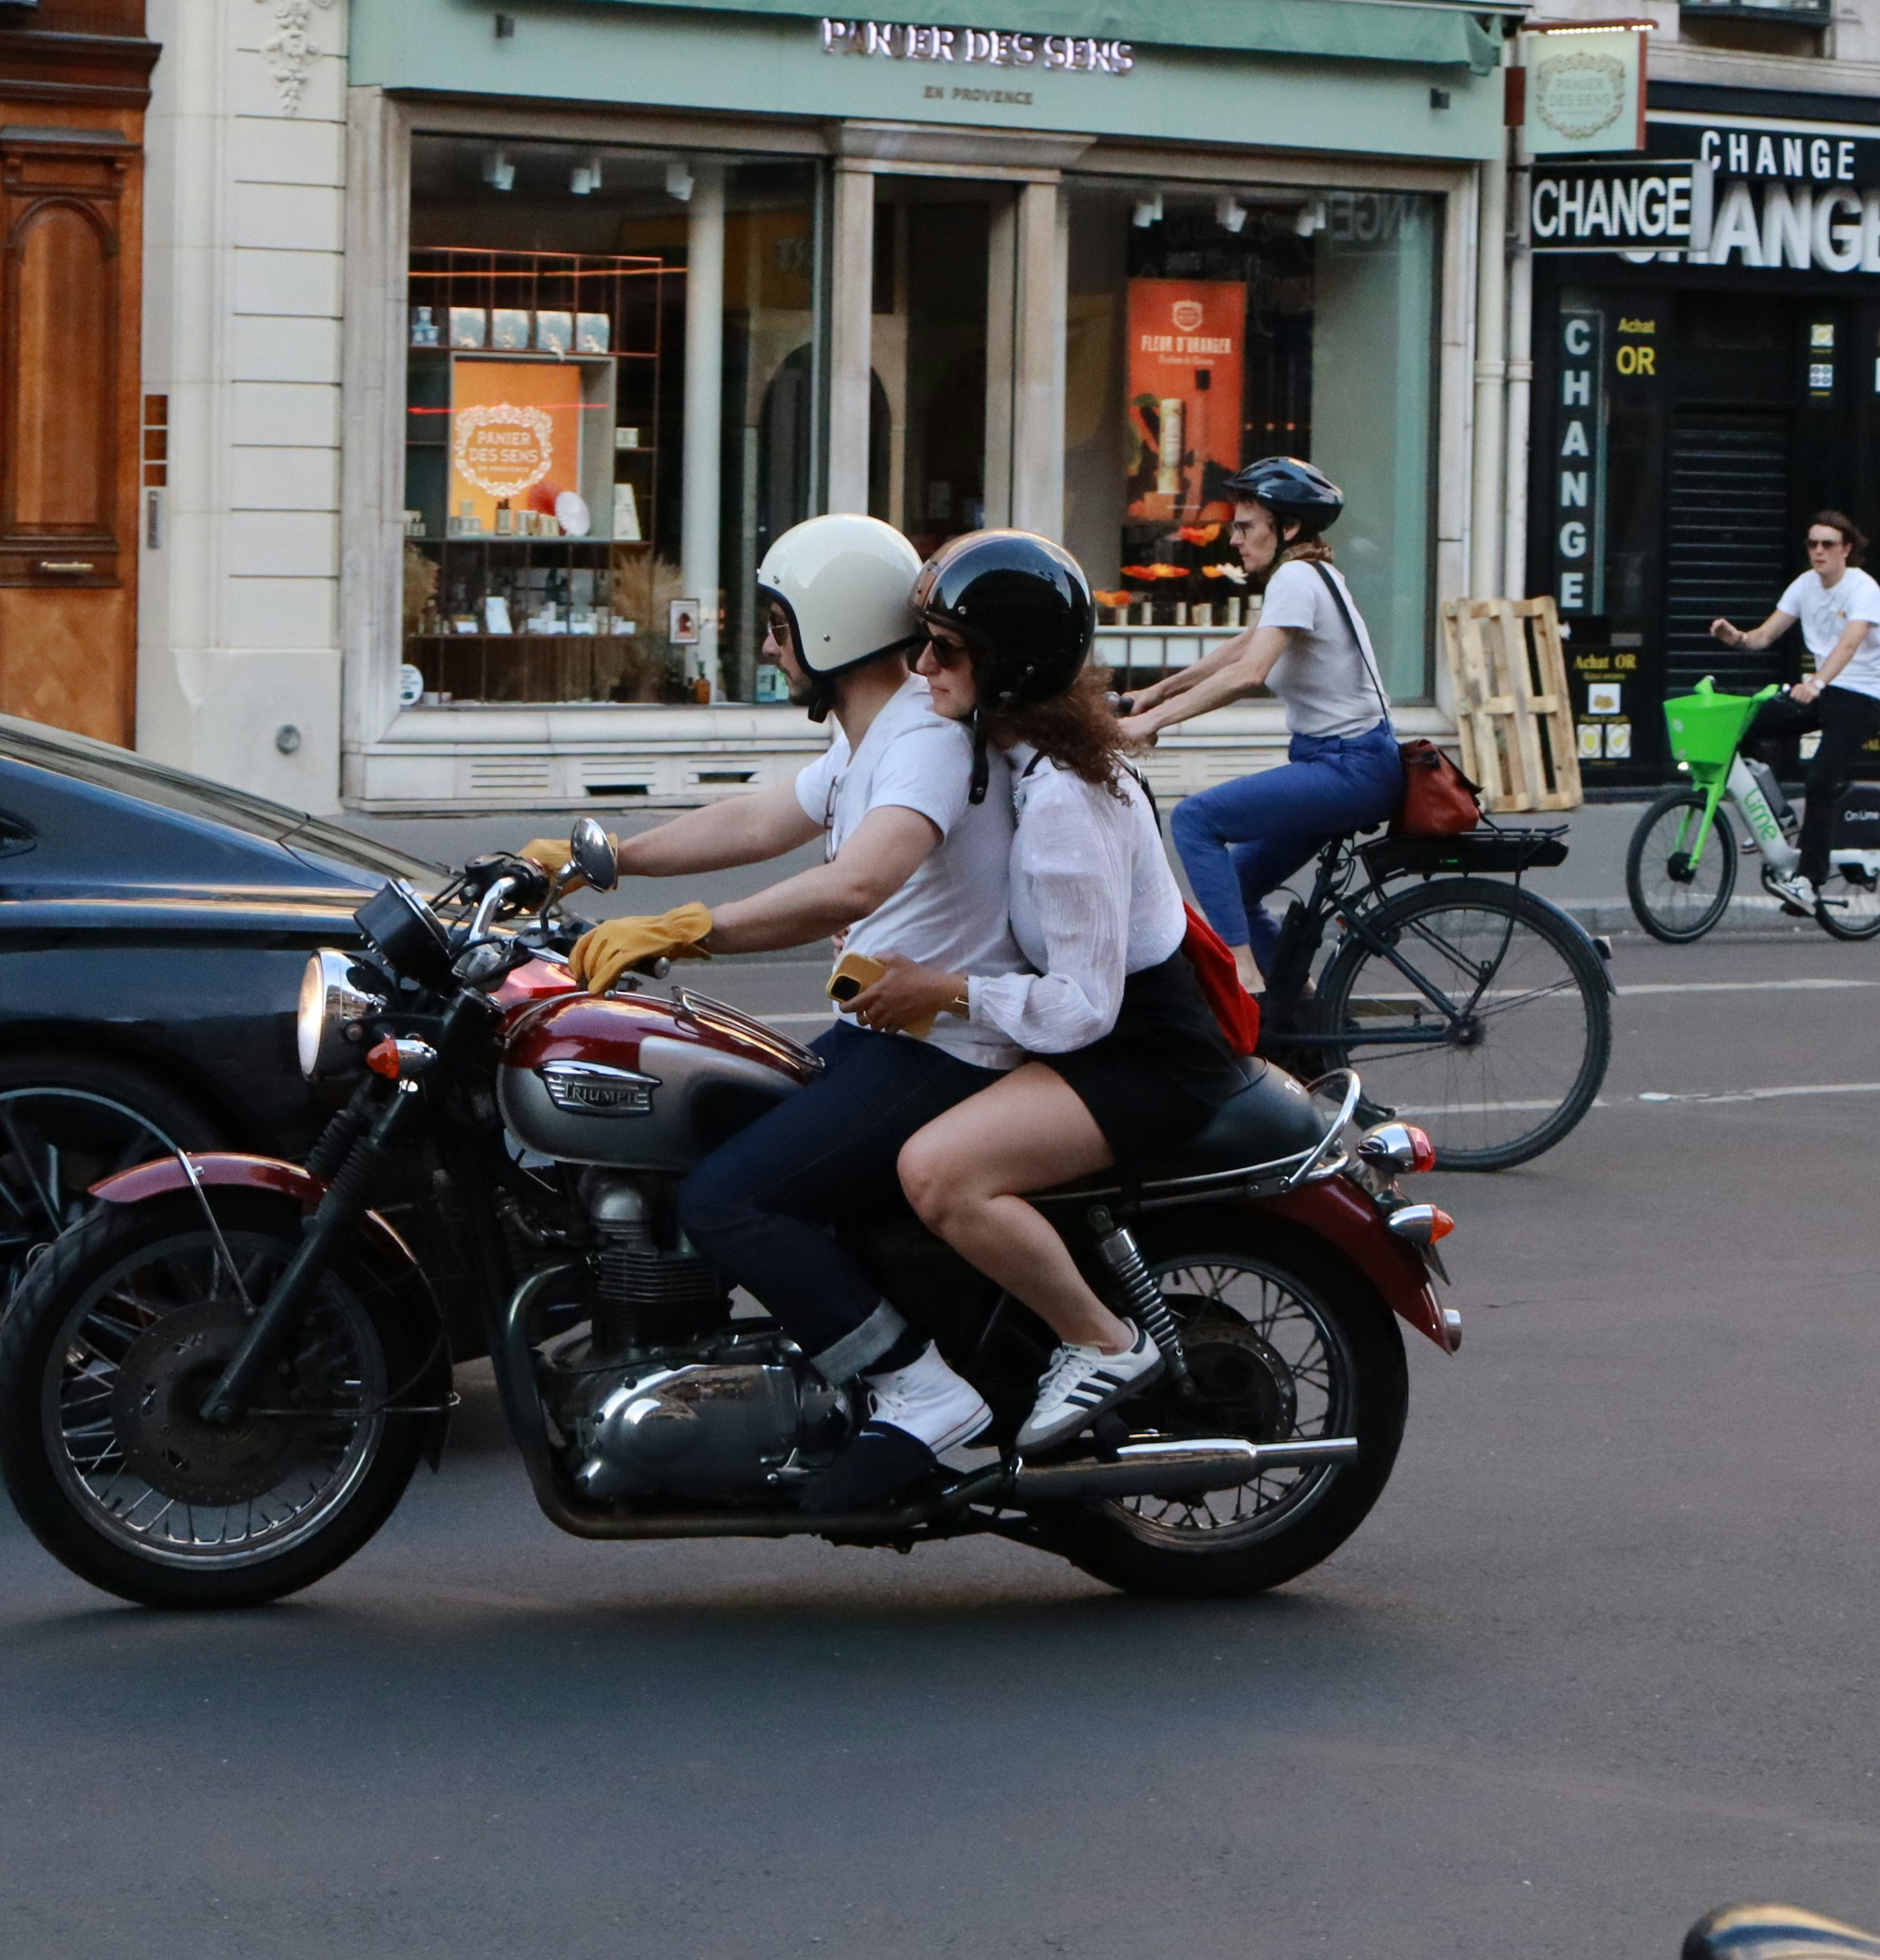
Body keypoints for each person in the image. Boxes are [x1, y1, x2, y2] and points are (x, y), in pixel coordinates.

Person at [530, 512, 1029, 1490]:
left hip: (944, 1047)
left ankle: (919, 1390)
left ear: (832, 631)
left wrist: (688, 931)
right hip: (886, 1032)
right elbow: (760, 817)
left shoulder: (923, 740)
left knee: (731, 1195)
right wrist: (602, 862)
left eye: (778, 623)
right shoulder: (870, 737)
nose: (768, 644)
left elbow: (858, 881)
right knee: (714, 1129)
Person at [837, 534, 1259, 1490]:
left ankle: (1104, 1341)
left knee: (941, 1171)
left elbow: (1080, 1009)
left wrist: (940, 991)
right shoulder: (1013, 755)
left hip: (1138, 1055)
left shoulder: (1064, 798)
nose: (921, 666)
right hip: (1105, 1035)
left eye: (945, 649)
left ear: (1009, 668)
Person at [1121, 457, 1400, 982]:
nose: (1234, 540)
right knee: (1238, 883)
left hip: (1349, 769)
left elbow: (1249, 673)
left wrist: (1151, 721)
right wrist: (1156, 692)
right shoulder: (1313, 575)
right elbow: (1244, 645)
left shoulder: (1295, 577)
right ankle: (1294, 1008)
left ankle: (1245, 981)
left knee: (1195, 820)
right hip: (1354, 764)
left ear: (1288, 528)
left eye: (1247, 527)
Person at [1707, 511, 1880, 917]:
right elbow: (1763, 636)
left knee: (1821, 778)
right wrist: (1736, 638)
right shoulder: (1805, 586)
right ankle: (1779, 817)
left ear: (1847, 549)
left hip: (1862, 695)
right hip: (1824, 690)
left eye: (1828, 544)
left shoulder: (1864, 589)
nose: (1819, 552)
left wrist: (1817, 683)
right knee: (1745, 727)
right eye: (1813, 544)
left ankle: (1809, 881)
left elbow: (1848, 646)